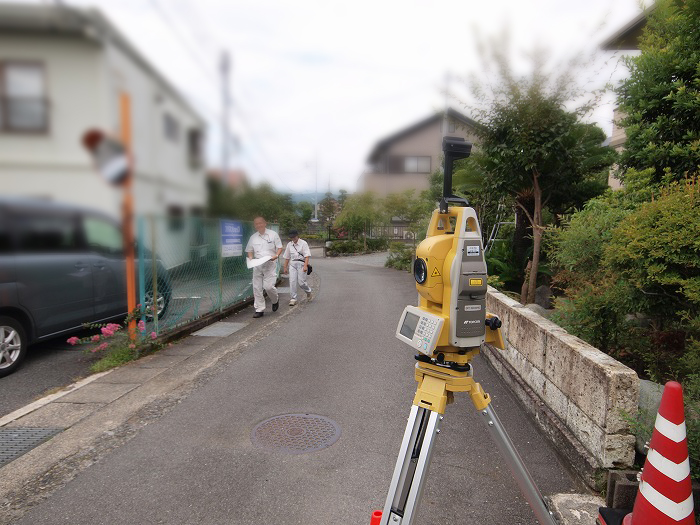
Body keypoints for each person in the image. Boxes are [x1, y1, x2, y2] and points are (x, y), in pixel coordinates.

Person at [246, 216, 283, 318]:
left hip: (270, 264)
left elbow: (279, 247)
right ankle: (259, 309)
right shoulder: (253, 237)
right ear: (255, 225)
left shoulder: (273, 234)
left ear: (265, 223)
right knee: (257, 287)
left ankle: (275, 300)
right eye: (256, 224)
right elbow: (249, 250)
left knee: (268, 287)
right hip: (257, 264)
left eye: (260, 223)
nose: (258, 225)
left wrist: (276, 255)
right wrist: (250, 258)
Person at [282, 229, 312, 306]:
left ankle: (308, 291)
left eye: (294, 237)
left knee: (301, 282)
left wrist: (305, 266)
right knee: (292, 281)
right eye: (291, 237)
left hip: (301, 264)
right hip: (292, 264)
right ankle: (293, 298)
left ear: (297, 236)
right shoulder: (289, 244)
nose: (293, 239)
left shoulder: (303, 243)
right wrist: (285, 267)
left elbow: (307, 256)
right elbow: (287, 257)